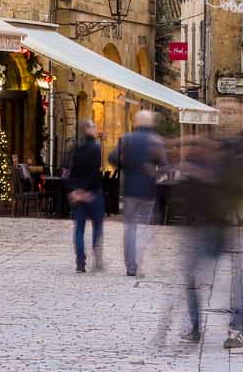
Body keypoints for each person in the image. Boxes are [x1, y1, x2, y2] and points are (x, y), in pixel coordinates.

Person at [183, 105, 243, 350]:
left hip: (224, 224)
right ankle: (194, 327)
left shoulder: (234, 154)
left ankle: (237, 329)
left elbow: (237, 188)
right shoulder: (206, 151)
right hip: (203, 224)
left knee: (237, 281)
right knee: (192, 277)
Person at [113, 110, 168, 277]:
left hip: (130, 190)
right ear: (150, 123)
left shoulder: (127, 139)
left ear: (136, 122)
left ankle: (131, 266)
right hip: (148, 191)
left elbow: (113, 158)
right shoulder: (156, 141)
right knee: (143, 227)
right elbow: (165, 166)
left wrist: (127, 166)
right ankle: (139, 263)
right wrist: (155, 173)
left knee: (130, 228)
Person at [65, 119, 106, 274]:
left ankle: (80, 262)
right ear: (87, 129)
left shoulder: (73, 148)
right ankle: (97, 258)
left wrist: (74, 191)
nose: (95, 129)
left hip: (77, 194)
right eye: (93, 126)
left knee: (79, 229)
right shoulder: (95, 148)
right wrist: (85, 192)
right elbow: (94, 171)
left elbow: (68, 171)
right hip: (92, 193)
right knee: (97, 226)